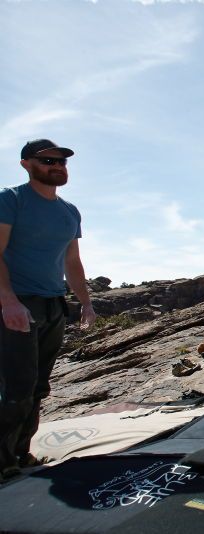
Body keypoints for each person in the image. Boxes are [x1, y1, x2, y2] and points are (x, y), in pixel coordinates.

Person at [0, 139, 96, 482]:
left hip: (54, 304)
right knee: (16, 387)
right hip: (17, 302)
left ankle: (22, 453)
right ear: (26, 164)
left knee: (39, 387)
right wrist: (8, 301)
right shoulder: (10, 199)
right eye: (48, 161)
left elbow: (72, 261)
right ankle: (2, 462)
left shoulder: (69, 211)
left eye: (62, 161)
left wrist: (85, 303)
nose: (58, 166)